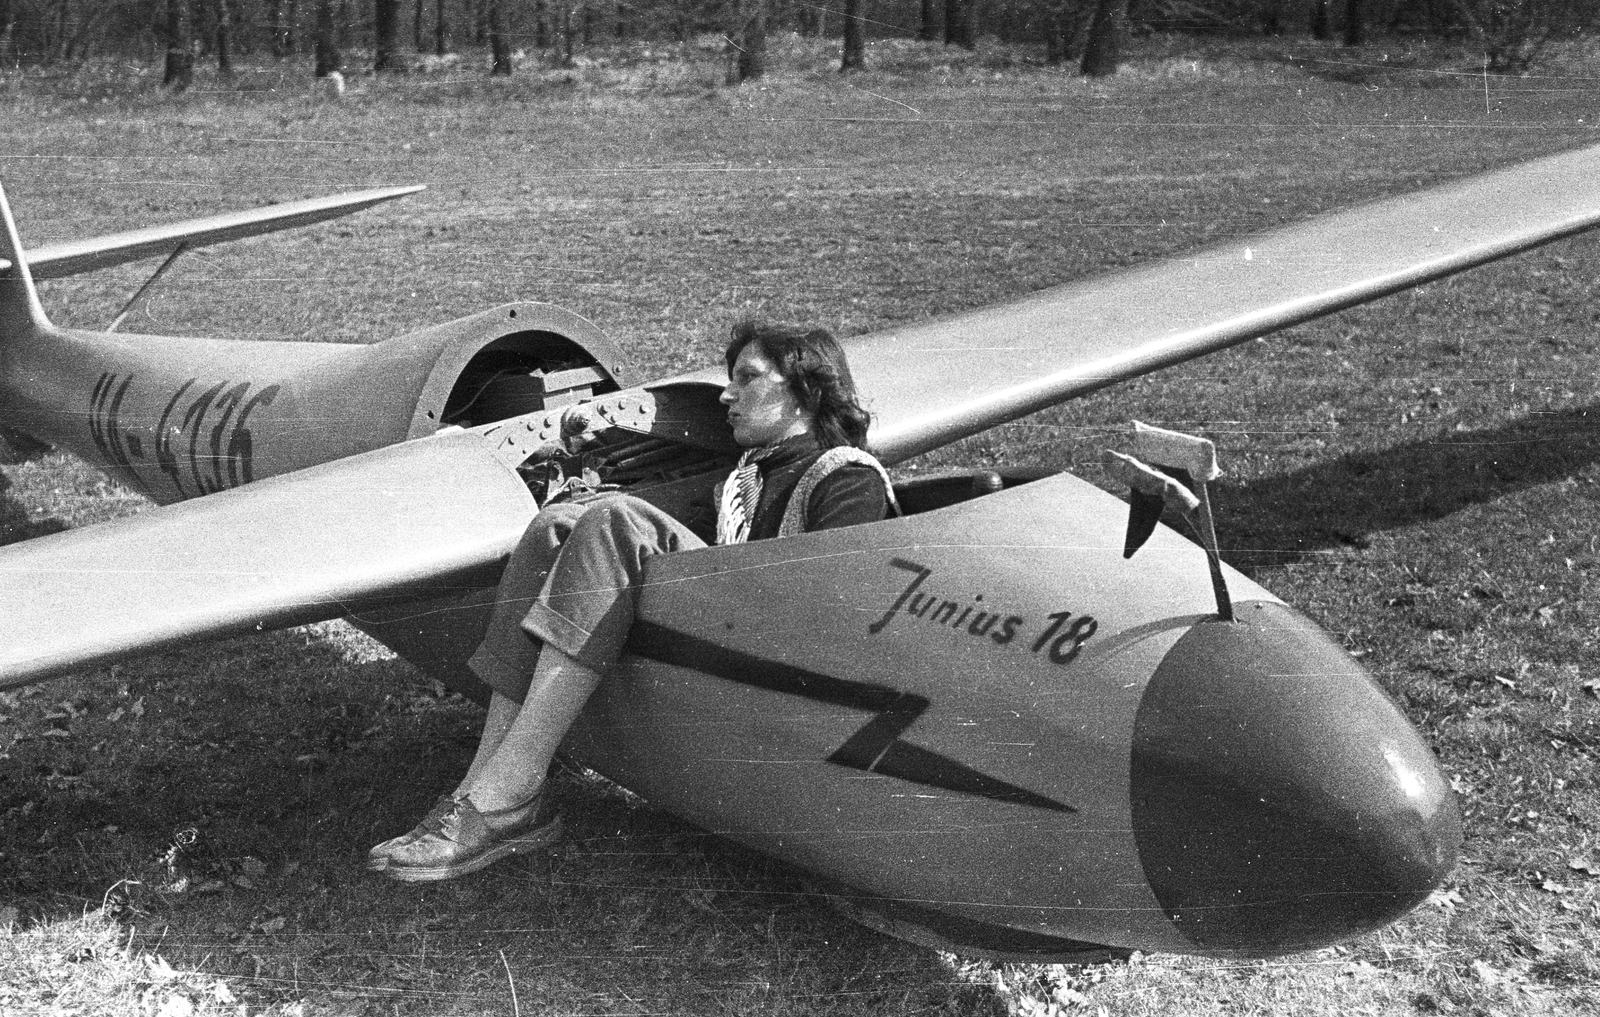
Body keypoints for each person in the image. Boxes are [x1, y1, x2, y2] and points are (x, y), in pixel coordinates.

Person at [367, 320, 893, 882]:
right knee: (556, 525)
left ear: (805, 393)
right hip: (727, 636)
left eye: (748, 378)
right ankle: (480, 786)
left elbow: (836, 607)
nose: (726, 395)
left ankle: (513, 788)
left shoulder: (846, 478)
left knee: (616, 521)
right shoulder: (753, 472)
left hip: (789, 667)